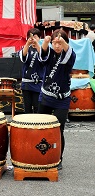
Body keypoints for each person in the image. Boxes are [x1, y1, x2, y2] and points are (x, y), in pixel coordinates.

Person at [38, 29, 76, 171]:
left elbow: (69, 55)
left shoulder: (69, 55)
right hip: (46, 96)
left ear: (65, 43)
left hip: (62, 98)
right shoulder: (49, 53)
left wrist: (62, 41)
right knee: (41, 127)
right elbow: (42, 58)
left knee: (58, 129)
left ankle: (58, 158)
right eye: (55, 43)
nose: (57, 46)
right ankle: (41, 154)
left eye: (60, 43)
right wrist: (46, 43)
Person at [18, 28, 45, 113]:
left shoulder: (43, 49)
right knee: (27, 107)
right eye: (31, 37)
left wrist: (37, 45)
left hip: (38, 83)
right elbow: (23, 57)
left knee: (37, 106)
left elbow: (44, 58)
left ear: (39, 38)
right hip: (26, 83)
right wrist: (27, 44)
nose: (33, 39)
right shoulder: (26, 49)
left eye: (35, 37)